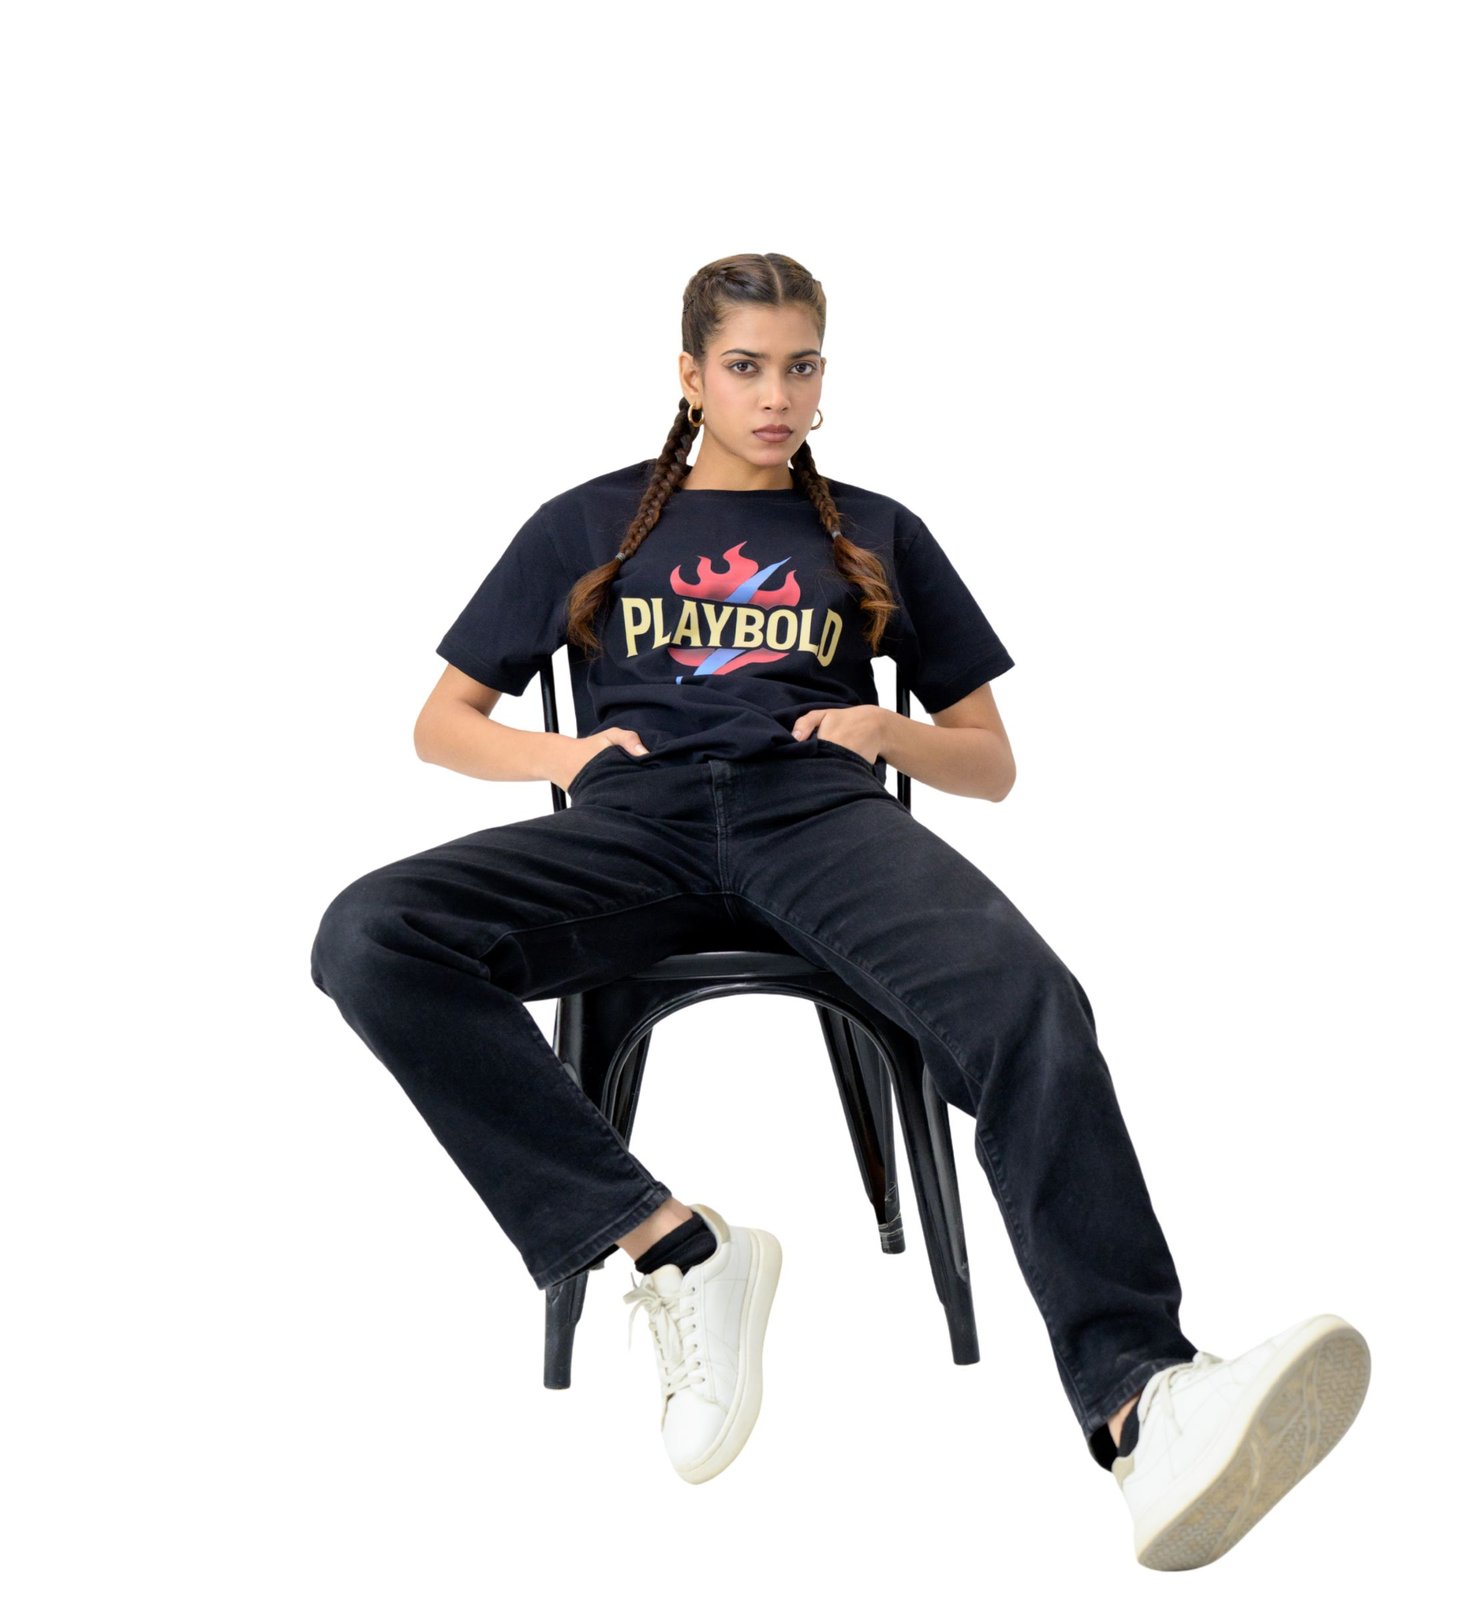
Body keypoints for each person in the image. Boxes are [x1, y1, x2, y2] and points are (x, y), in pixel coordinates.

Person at [308, 252, 1370, 1568]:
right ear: (690, 376)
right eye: (745, 367)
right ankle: (673, 1246)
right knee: (370, 935)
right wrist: (563, 756)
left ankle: (1142, 1400)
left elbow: (990, 763)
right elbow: (442, 723)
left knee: (1030, 1003)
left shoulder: (877, 532)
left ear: (825, 375)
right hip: (634, 827)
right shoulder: (585, 524)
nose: (775, 395)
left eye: (800, 366)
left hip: (820, 818)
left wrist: (887, 731)